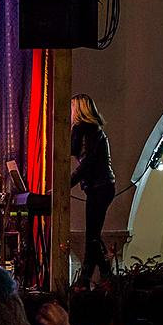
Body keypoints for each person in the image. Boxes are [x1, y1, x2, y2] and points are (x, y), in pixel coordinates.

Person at [71, 93, 116, 287]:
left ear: (79, 109)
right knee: (93, 235)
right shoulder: (93, 130)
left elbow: (87, 162)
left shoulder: (86, 130)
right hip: (102, 186)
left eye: (72, 107)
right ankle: (95, 277)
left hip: (99, 187)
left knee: (92, 236)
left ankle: (98, 277)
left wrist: (68, 183)